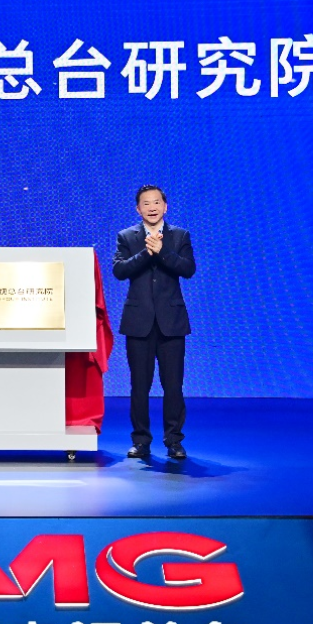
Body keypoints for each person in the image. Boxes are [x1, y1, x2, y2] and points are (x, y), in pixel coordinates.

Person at [112, 185, 196, 459]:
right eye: (146, 203)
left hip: (172, 322)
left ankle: (174, 441)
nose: (152, 207)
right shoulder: (127, 236)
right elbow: (119, 270)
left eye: (157, 202)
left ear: (165, 206)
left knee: (173, 386)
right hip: (138, 322)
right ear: (138, 209)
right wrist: (146, 253)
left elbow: (188, 269)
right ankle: (141, 441)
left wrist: (162, 251)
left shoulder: (180, 235)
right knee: (140, 386)